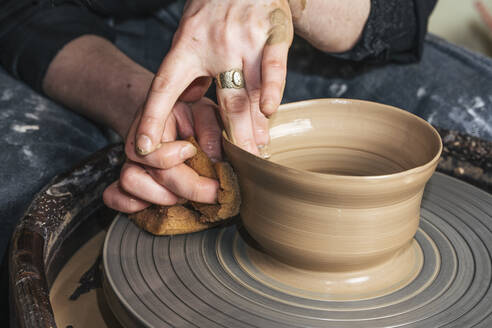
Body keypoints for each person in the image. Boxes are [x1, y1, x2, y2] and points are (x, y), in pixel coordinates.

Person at [1, 0, 492, 320]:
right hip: (82, 28)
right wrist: (146, 106)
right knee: (21, 203)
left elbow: (400, 12)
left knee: (480, 110)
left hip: (290, 22)